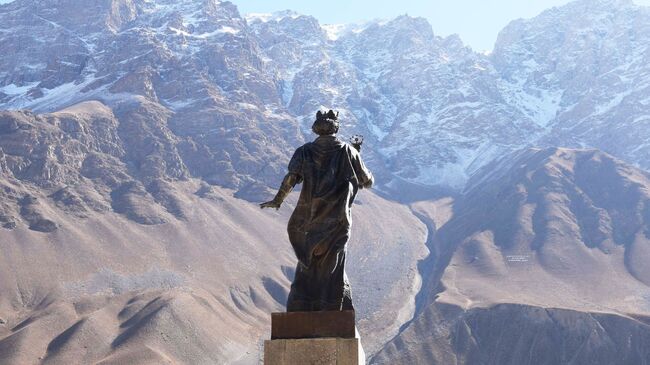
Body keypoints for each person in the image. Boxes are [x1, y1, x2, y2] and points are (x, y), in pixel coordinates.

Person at [260, 109, 373, 312]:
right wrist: (356, 153)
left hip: (308, 220)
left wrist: (278, 200)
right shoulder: (348, 151)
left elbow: (291, 178)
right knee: (332, 265)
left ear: (316, 129)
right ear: (335, 128)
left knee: (307, 264)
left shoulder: (304, 151)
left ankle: (301, 304)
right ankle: (330, 306)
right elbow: (367, 181)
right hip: (337, 221)